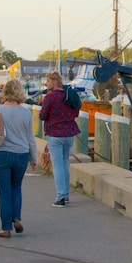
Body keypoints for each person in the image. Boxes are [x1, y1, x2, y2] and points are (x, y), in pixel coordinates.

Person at [0, 79, 37, 238]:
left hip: (2, 153)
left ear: (5, 92)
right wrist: (34, 158)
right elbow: (30, 138)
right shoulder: (26, 112)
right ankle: (16, 217)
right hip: (22, 154)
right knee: (16, 187)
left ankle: (6, 228)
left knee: (4, 191)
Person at [38, 71, 80, 207]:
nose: (46, 83)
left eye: (48, 81)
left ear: (54, 82)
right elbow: (76, 112)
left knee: (57, 165)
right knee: (64, 163)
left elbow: (43, 115)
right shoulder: (69, 95)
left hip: (55, 134)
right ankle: (66, 194)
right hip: (69, 133)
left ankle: (61, 197)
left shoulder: (50, 97)